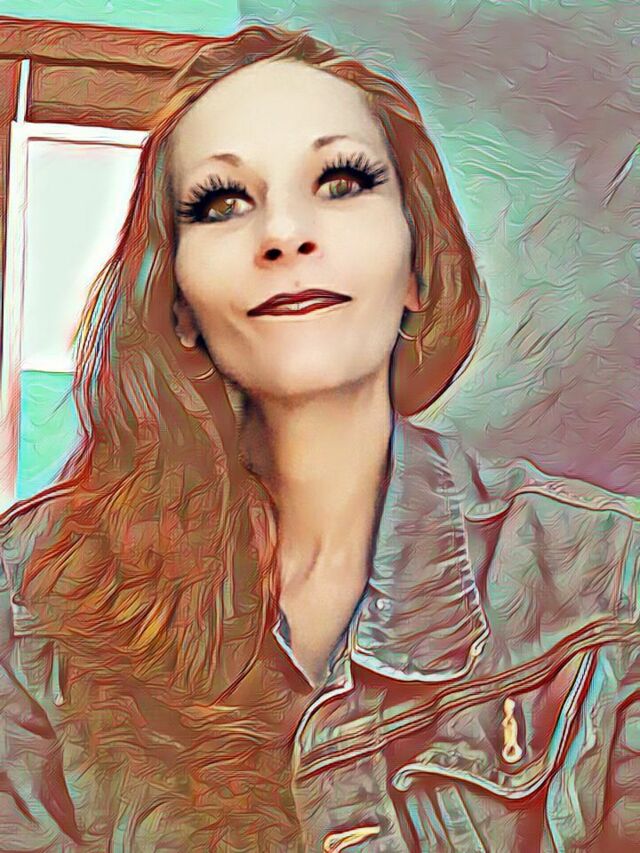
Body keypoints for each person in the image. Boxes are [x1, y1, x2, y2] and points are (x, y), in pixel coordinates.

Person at [0, 23, 637, 852]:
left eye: (341, 182)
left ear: (417, 267)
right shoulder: (28, 589)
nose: (285, 234)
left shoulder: (612, 581)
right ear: (179, 303)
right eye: (223, 202)